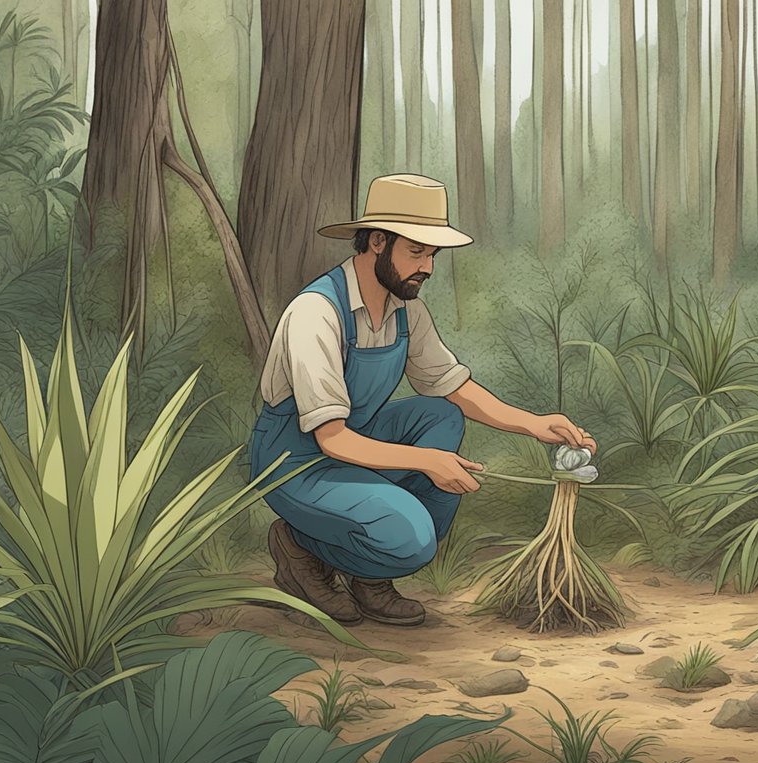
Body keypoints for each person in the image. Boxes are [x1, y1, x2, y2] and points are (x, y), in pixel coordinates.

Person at [250, 173, 597, 626]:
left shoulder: (405, 307)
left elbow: (453, 387)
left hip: (356, 441)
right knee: (413, 539)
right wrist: (426, 462)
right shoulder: (316, 313)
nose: (427, 267)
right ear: (377, 241)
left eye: (431, 254)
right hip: (295, 460)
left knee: (442, 416)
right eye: (416, 251)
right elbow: (331, 439)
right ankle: (300, 548)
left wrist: (533, 424)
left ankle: (369, 576)